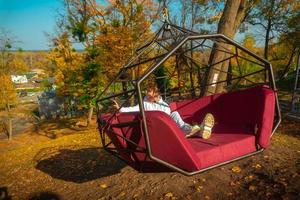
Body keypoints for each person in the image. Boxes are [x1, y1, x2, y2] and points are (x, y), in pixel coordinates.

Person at [112, 86, 214, 139]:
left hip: (168, 121)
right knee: (177, 120)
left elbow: (168, 110)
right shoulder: (145, 103)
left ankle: (198, 131)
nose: (149, 95)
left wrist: (158, 101)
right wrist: (120, 108)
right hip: (160, 124)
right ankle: (195, 129)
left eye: (151, 94)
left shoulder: (161, 102)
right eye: (148, 94)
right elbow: (133, 109)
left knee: (175, 114)